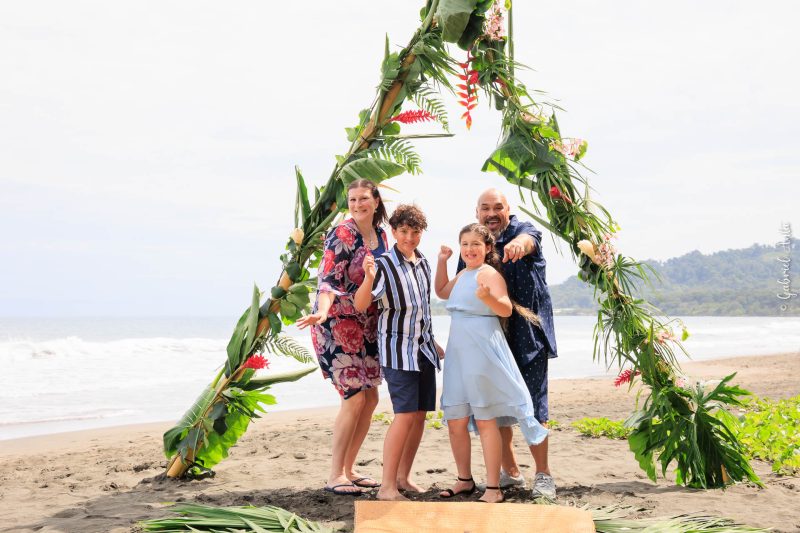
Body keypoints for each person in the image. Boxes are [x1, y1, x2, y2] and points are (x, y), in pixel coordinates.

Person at [456, 188, 558, 500]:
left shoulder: (523, 231)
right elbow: (458, 291)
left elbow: (529, 241)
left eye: (497, 207)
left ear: (507, 209)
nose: (491, 213)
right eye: (484, 208)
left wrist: (517, 245)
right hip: (490, 338)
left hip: (528, 336)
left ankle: (543, 475)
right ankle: (511, 471)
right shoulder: (475, 243)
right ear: (476, 212)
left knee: (533, 406)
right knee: (495, 406)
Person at [434, 223, 548, 504]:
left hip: (482, 351)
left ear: (487, 248)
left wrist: (488, 297)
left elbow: (506, 309)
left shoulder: (490, 274)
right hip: (458, 353)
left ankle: (494, 488)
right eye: (465, 244)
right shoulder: (463, 272)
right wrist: (442, 262)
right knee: (456, 421)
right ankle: (464, 480)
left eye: (475, 244)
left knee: (486, 421)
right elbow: (442, 292)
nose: (470, 249)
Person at [296, 179, 388, 496]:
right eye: (352, 199)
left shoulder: (383, 235)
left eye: (364, 198)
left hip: (368, 326)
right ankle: (335, 474)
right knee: (354, 396)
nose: (357, 204)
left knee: (372, 397)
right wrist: (321, 312)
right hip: (335, 323)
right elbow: (327, 281)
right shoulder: (342, 233)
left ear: (376, 201)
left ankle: (350, 469)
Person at [353, 204, 445, 501]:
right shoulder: (383, 264)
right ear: (393, 232)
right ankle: (387, 487)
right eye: (403, 231)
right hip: (397, 352)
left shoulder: (424, 262)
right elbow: (360, 303)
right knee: (404, 416)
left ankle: (403, 478)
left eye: (415, 232)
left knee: (419, 416)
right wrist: (367, 278)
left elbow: (422, 309)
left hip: (424, 350)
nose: (409, 237)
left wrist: (433, 341)